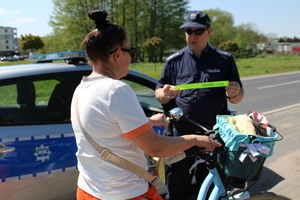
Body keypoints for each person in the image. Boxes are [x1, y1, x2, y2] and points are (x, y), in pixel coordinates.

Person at [70, 9, 221, 200]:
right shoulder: (116, 89)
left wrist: (147, 122)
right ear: (118, 55)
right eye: (131, 50)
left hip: (88, 190)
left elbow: (106, 125)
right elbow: (156, 148)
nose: (131, 57)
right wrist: (196, 139)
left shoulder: (82, 88)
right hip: (123, 193)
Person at [155, 10, 244, 200]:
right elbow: (159, 94)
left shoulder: (224, 59)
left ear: (209, 31)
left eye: (198, 31)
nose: (192, 36)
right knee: (177, 190)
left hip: (213, 137)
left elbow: (237, 98)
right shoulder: (174, 61)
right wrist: (164, 93)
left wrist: (235, 93)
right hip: (181, 139)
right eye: (188, 31)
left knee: (213, 190)